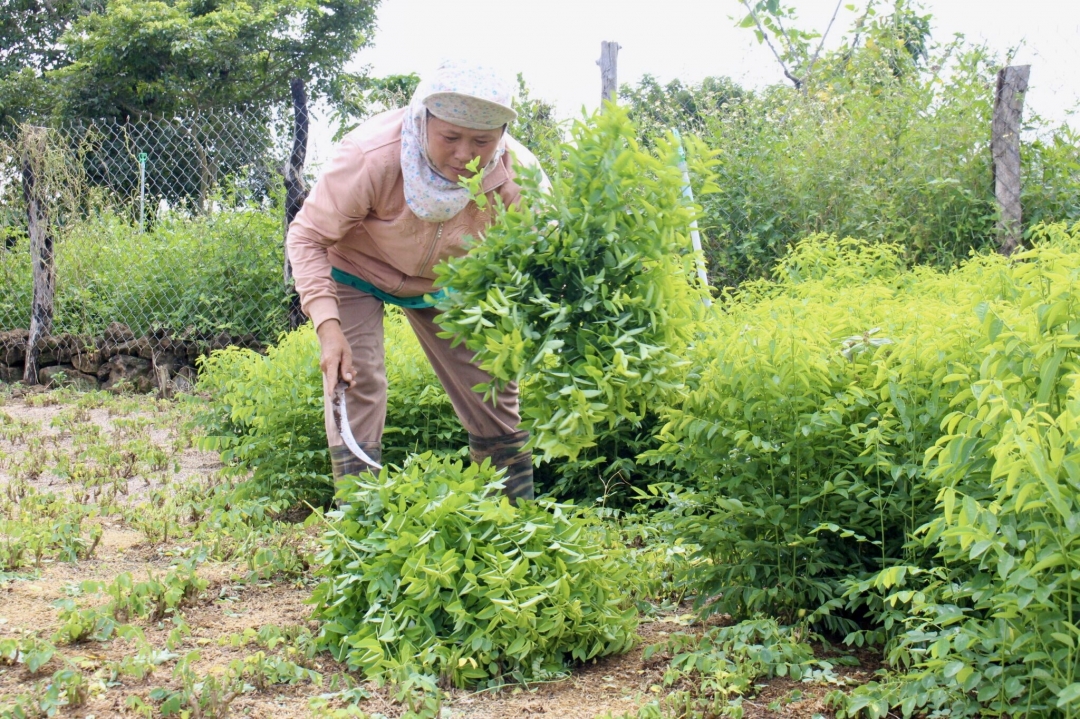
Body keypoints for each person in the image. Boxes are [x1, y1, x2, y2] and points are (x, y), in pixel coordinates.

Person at [286, 60, 543, 502]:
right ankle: (360, 519)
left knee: (494, 388)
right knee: (356, 377)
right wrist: (328, 328)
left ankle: (512, 519)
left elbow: (542, 257)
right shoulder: (372, 155)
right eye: (449, 137)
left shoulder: (519, 179)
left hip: (453, 280)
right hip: (355, 267)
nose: (465, 154)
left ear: (501, 137)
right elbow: (307, 236)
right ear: (424, 122)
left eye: (481, 141)